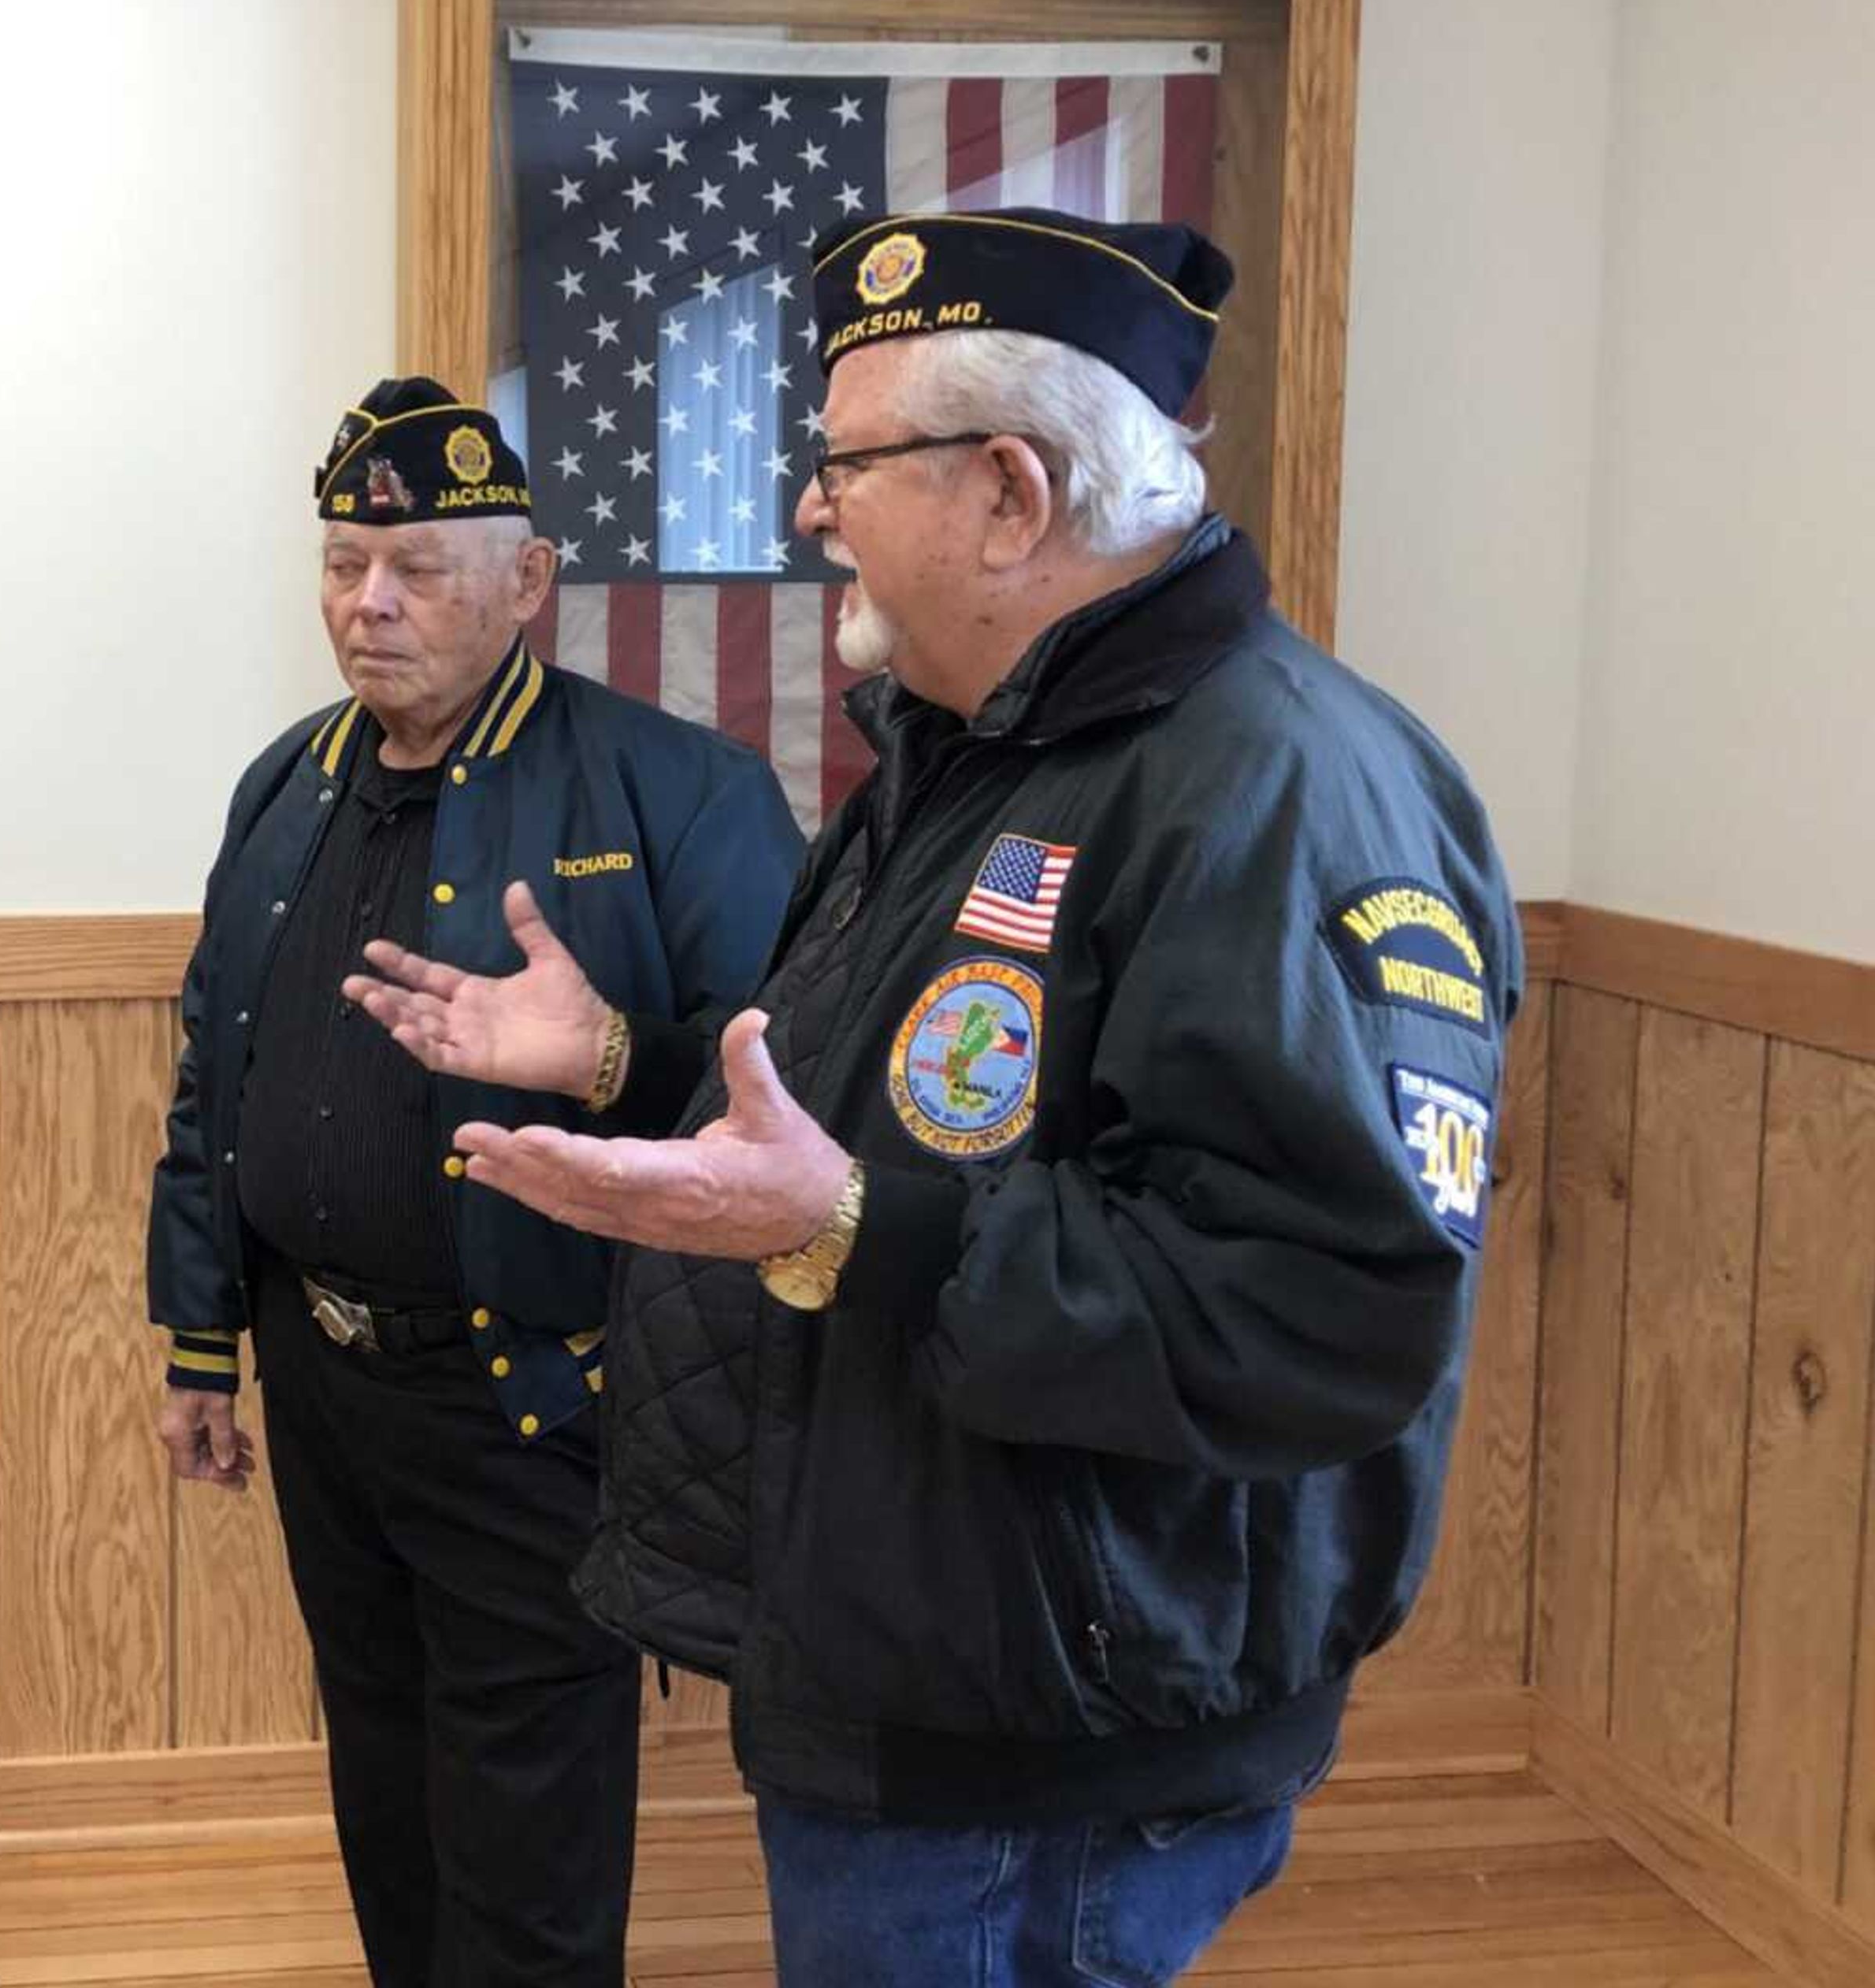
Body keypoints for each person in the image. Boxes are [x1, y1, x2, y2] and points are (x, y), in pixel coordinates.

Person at [343, 214, 1520, 1986]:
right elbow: (902, 1121)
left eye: (845, 462)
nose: (812, 510)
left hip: (1044, 1753)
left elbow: (1322, 1309)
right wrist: (626, 1063)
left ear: (1010, 495)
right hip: (915, 1670)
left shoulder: (1275, 793)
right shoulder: (977, 743)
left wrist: (840, 1227)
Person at [147, 376, 803, 1986]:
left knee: (527, 1835)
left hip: (538, 1396)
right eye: (342, 566)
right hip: (323, 1384)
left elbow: (793, 1085)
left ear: (528, 582)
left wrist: (598, 1062)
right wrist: (197, 1341)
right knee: (383, 1783)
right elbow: (214, 1076)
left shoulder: (678, 790)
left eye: (421, 568)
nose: (369, 606)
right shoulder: (281, 787)